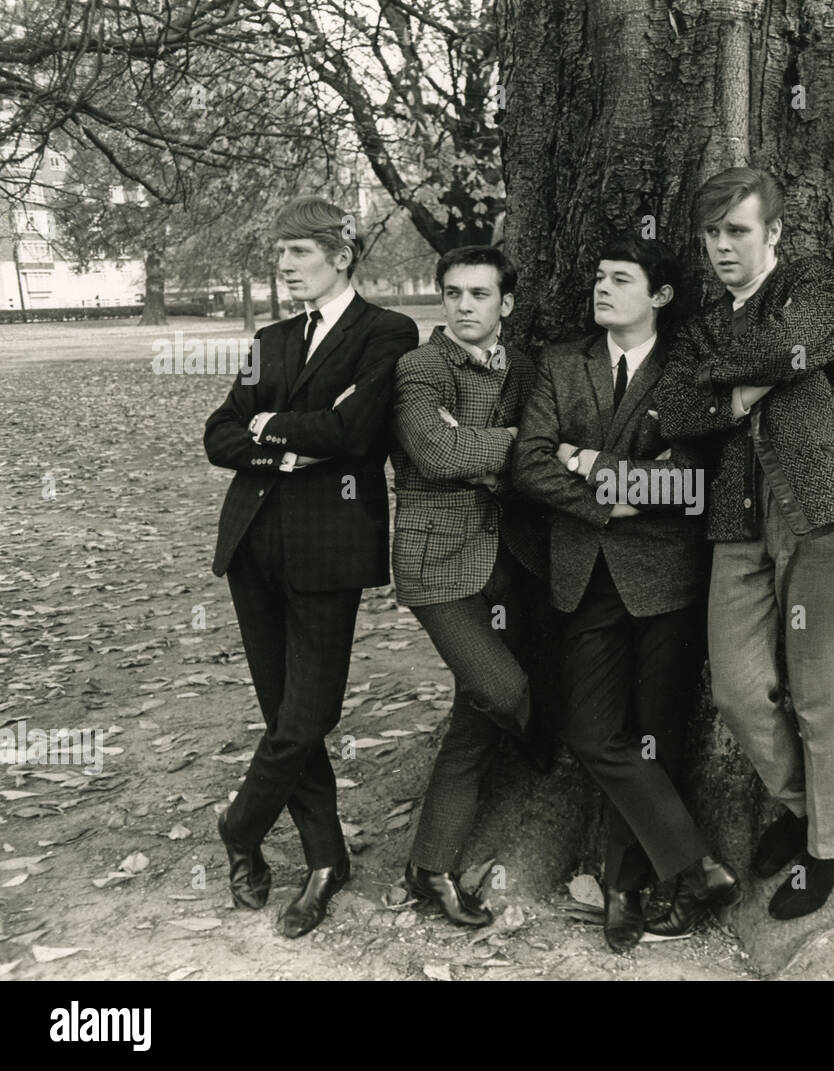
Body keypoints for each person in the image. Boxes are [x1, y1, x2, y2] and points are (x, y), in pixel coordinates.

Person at [656, 168, 834, 921]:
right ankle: (808, 805)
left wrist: (726, 385)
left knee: (818, 685)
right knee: (737, 688)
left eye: (738, 230)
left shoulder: (812, 282)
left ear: (772, 235)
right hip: (739, 517)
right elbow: (673, 409)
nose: (723, 246)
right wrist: (735, 388)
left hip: (826, 506)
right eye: (712, 233)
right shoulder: (702, 321)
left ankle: (828, 847)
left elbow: (799, 343)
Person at [513, 234, 740, 952]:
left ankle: (626, 884)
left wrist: (590, 461)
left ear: (661, 296)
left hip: (666, 580)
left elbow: (691, 483)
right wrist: (610, 499)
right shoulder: (560, 363)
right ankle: (694, 864)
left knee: (656, 735)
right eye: (599, 277)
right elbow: (530, 463)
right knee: (592, 732)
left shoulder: (687, 371)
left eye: (620, 278)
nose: (602, 289)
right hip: (584, 571)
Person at [204, 196, 419, 937]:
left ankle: (240, 825)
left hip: (329, 544)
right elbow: (220, 433)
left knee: (311, 711)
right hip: (254, 540)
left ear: (341, 254)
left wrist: (273, 425)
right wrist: (282, 440)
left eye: (300, 251)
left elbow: (353, 432)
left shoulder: (385, 332)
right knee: (281, 711)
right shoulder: (271, 336)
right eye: (281, 252)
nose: (287, 265)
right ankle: (325, 860)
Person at [389, 245, 551, 927]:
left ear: (504, 304)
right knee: (505, 690)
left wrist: (487, 453)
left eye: (479, 294)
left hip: (508, 562)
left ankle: (431, 865)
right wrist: (511, 450)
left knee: (474, 715)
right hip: (436, 565)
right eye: (452, 292)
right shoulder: (420, 367)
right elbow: (434, 451)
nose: (462, 306)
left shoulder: (526, 370)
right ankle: (547, 742)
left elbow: (540, 451)